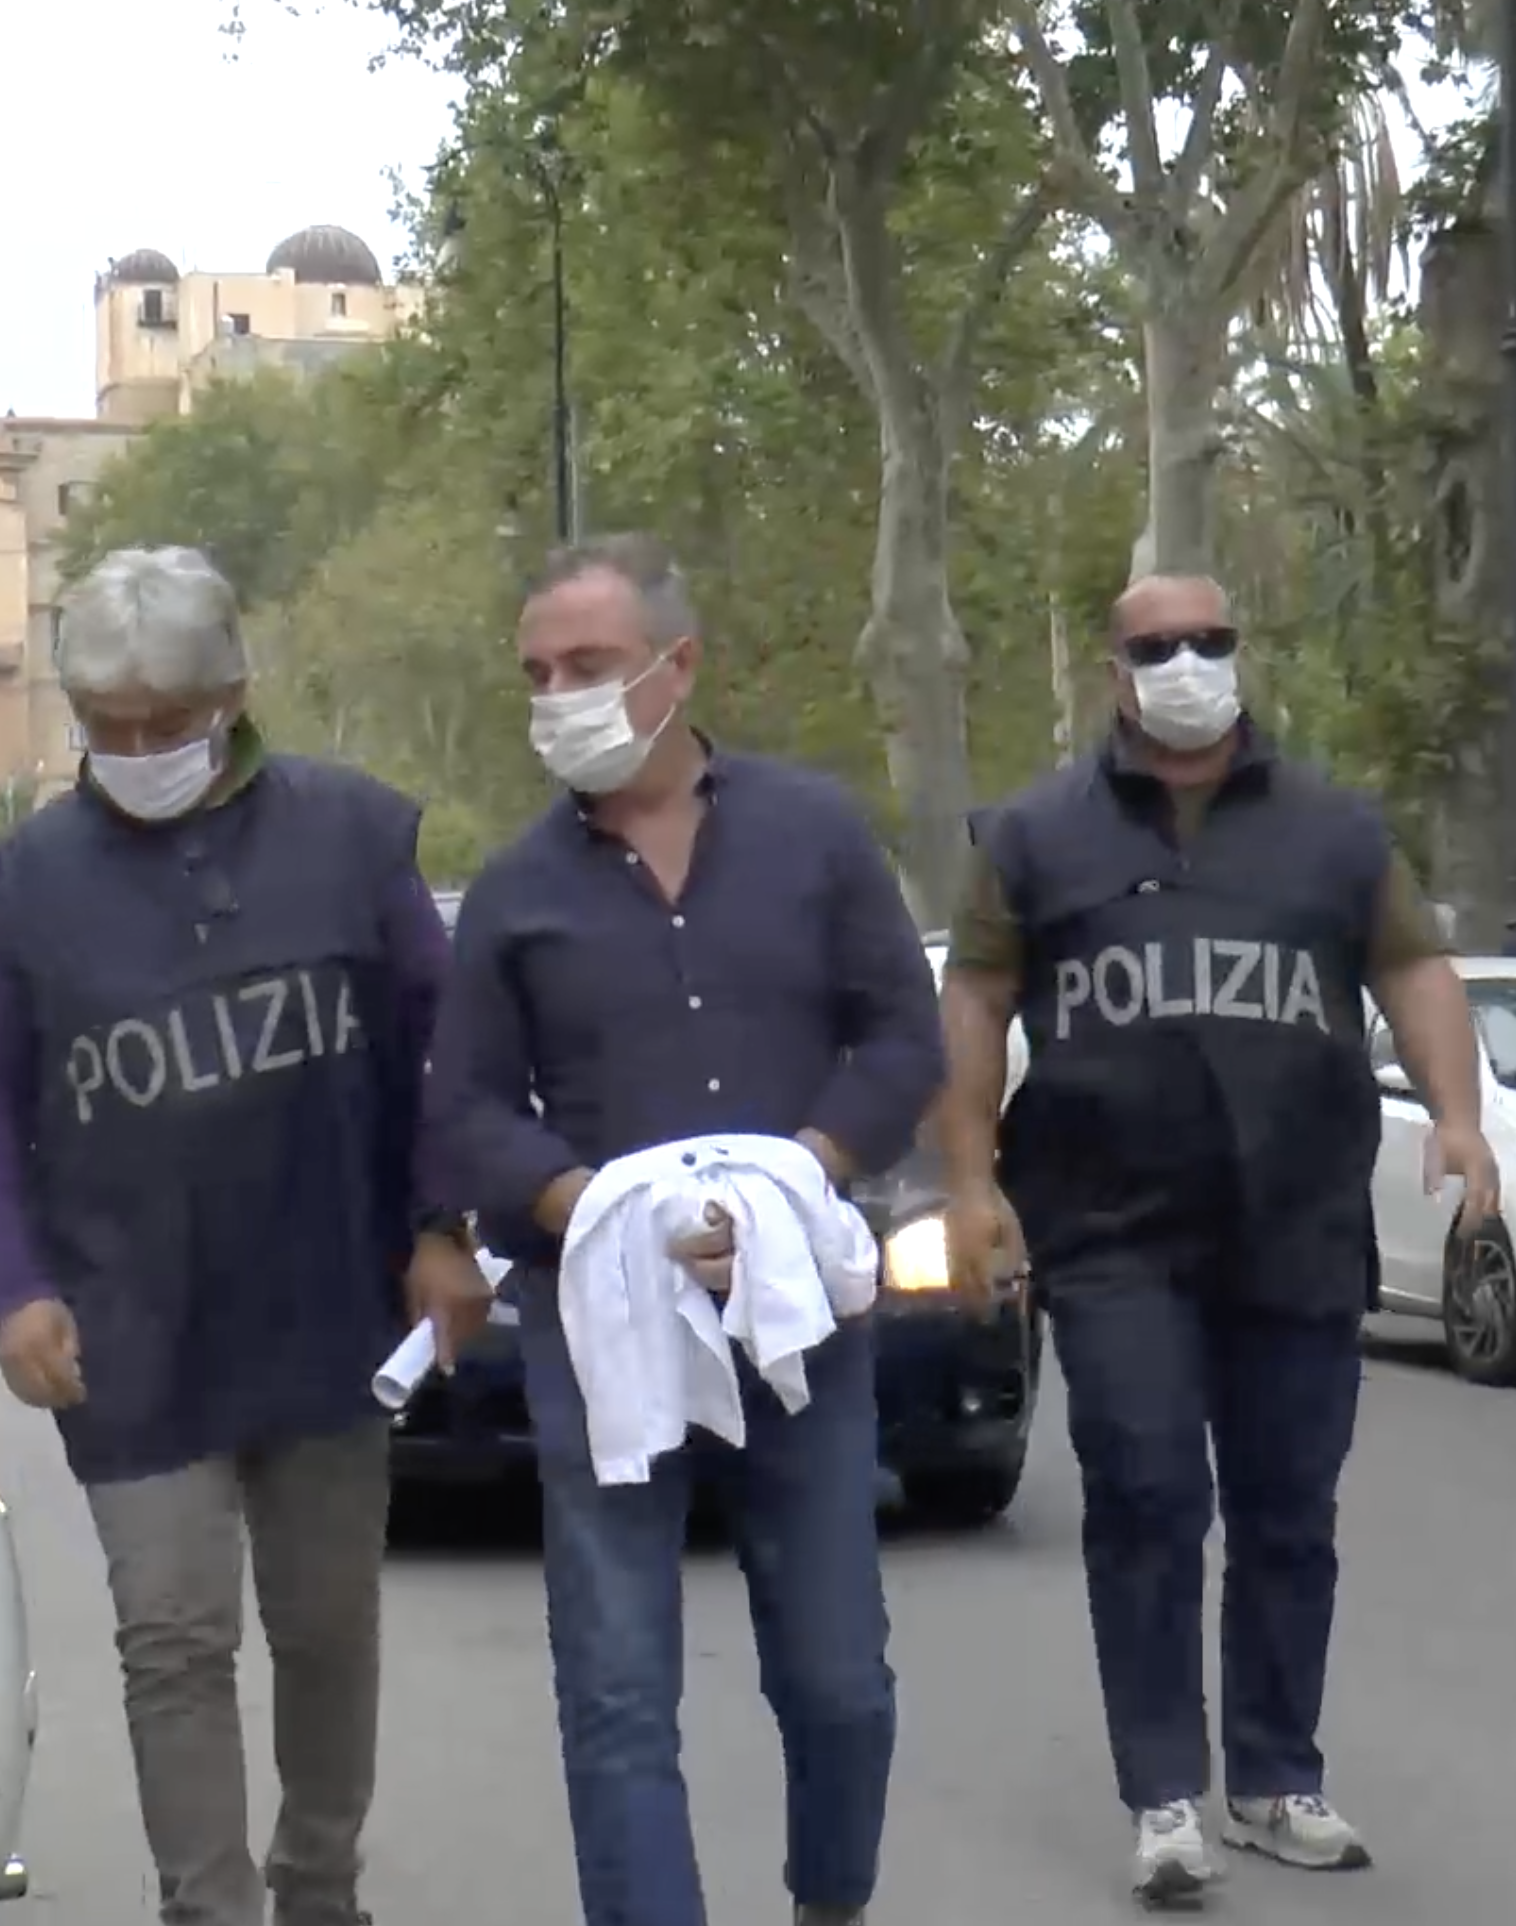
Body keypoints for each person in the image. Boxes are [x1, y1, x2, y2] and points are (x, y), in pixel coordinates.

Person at [930, 574, 1497, 1908]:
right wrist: (969, 1180)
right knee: (1143, 1489)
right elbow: (976, 1000)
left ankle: (1276, 1775)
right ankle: (1164, 1794)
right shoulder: (1035, 836)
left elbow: (1414, 967)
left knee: (1290, 1506)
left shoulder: (1335, 830)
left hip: (1297, 1221)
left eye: (1209, 640)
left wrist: (1461, 1117)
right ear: (1115, 670)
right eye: (1155, 646)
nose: (1185, 663)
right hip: (1111, 1226)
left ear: (1241, 651)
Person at [0, 545, 490, 1926]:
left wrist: (442, 1224)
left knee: (326, 1628)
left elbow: (442, 1047)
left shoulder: (352, 837)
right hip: (132, 1324)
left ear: (233, 697)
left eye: (166, 722)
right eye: (107, 724)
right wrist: (17, 1285)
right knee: (172, 1638)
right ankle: (207, 1905)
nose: (136, 751)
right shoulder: (24, 885)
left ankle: (319, 1885)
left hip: (327, 1301)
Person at [429, 533, 944, 1926]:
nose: (558, 697)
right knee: (615, 1688)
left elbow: (903, 1037)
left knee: (839, 1677)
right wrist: (604, 1212)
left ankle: (831, 1899)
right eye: (537, 673)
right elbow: (467, 1108)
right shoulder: (515, 890)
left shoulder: (816, 835)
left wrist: (797, 1181)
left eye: (587, 665)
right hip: (601, 1333)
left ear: (678, 665)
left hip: (800, 1325)